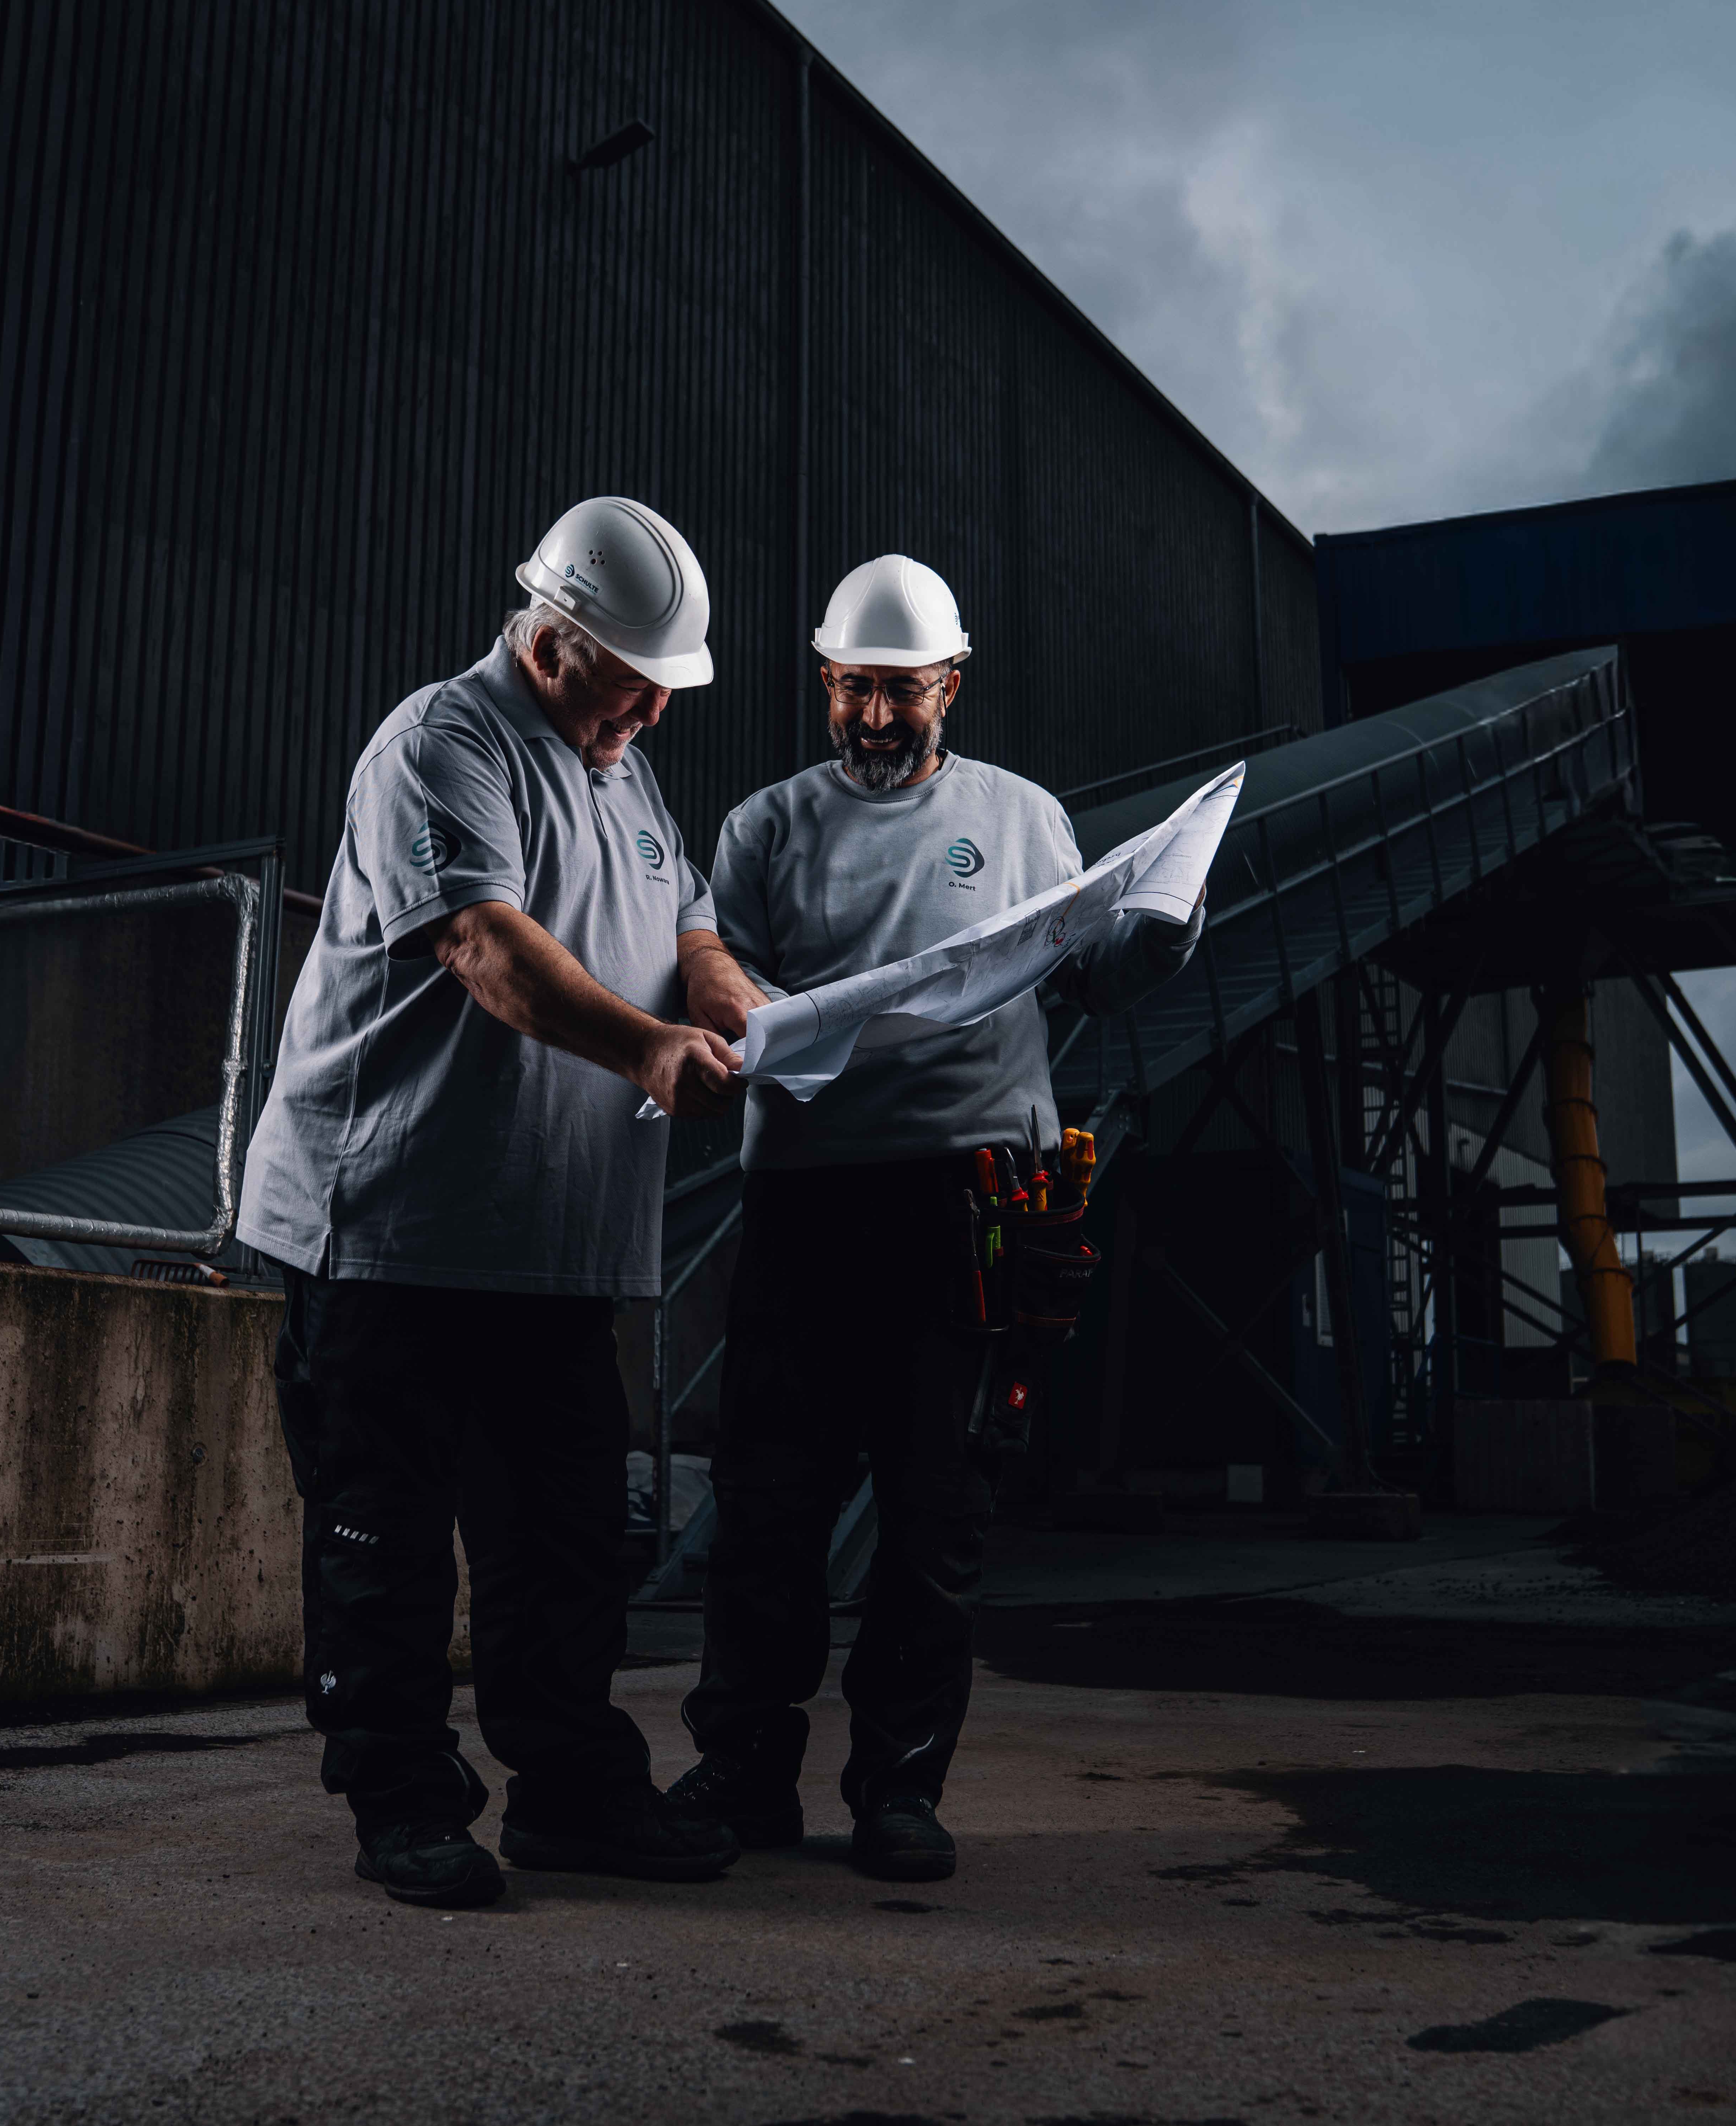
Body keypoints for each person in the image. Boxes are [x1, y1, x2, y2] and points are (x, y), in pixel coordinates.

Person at [239, 497, 760, 1909]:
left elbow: (688, 923)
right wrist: (652, 1050)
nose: (652, 712)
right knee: (386, 1534)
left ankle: (571, 1789)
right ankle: (402, 1798)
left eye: (664, 690)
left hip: (547, 1244)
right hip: (394, 1224)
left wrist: (740, 1008)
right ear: (551, 640)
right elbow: (486, 945)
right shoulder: (442, 744)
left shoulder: (624, 770)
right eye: (631, 682)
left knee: (564, 1533)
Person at [663, 554, 1208, 1882]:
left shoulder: (1023, 817)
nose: (869, 717)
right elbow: (707, 952)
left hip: (970, 1208)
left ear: (949, 685)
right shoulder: (767, 827)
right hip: (804, 1198)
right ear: (825, 679)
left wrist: (1159, 929)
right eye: (850, 689)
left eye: (899, 693)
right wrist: (732, 993)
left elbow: (1090, 974)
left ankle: (899, 1789)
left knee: (934, 1506)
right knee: (769, 1501)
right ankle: (743, 1774)